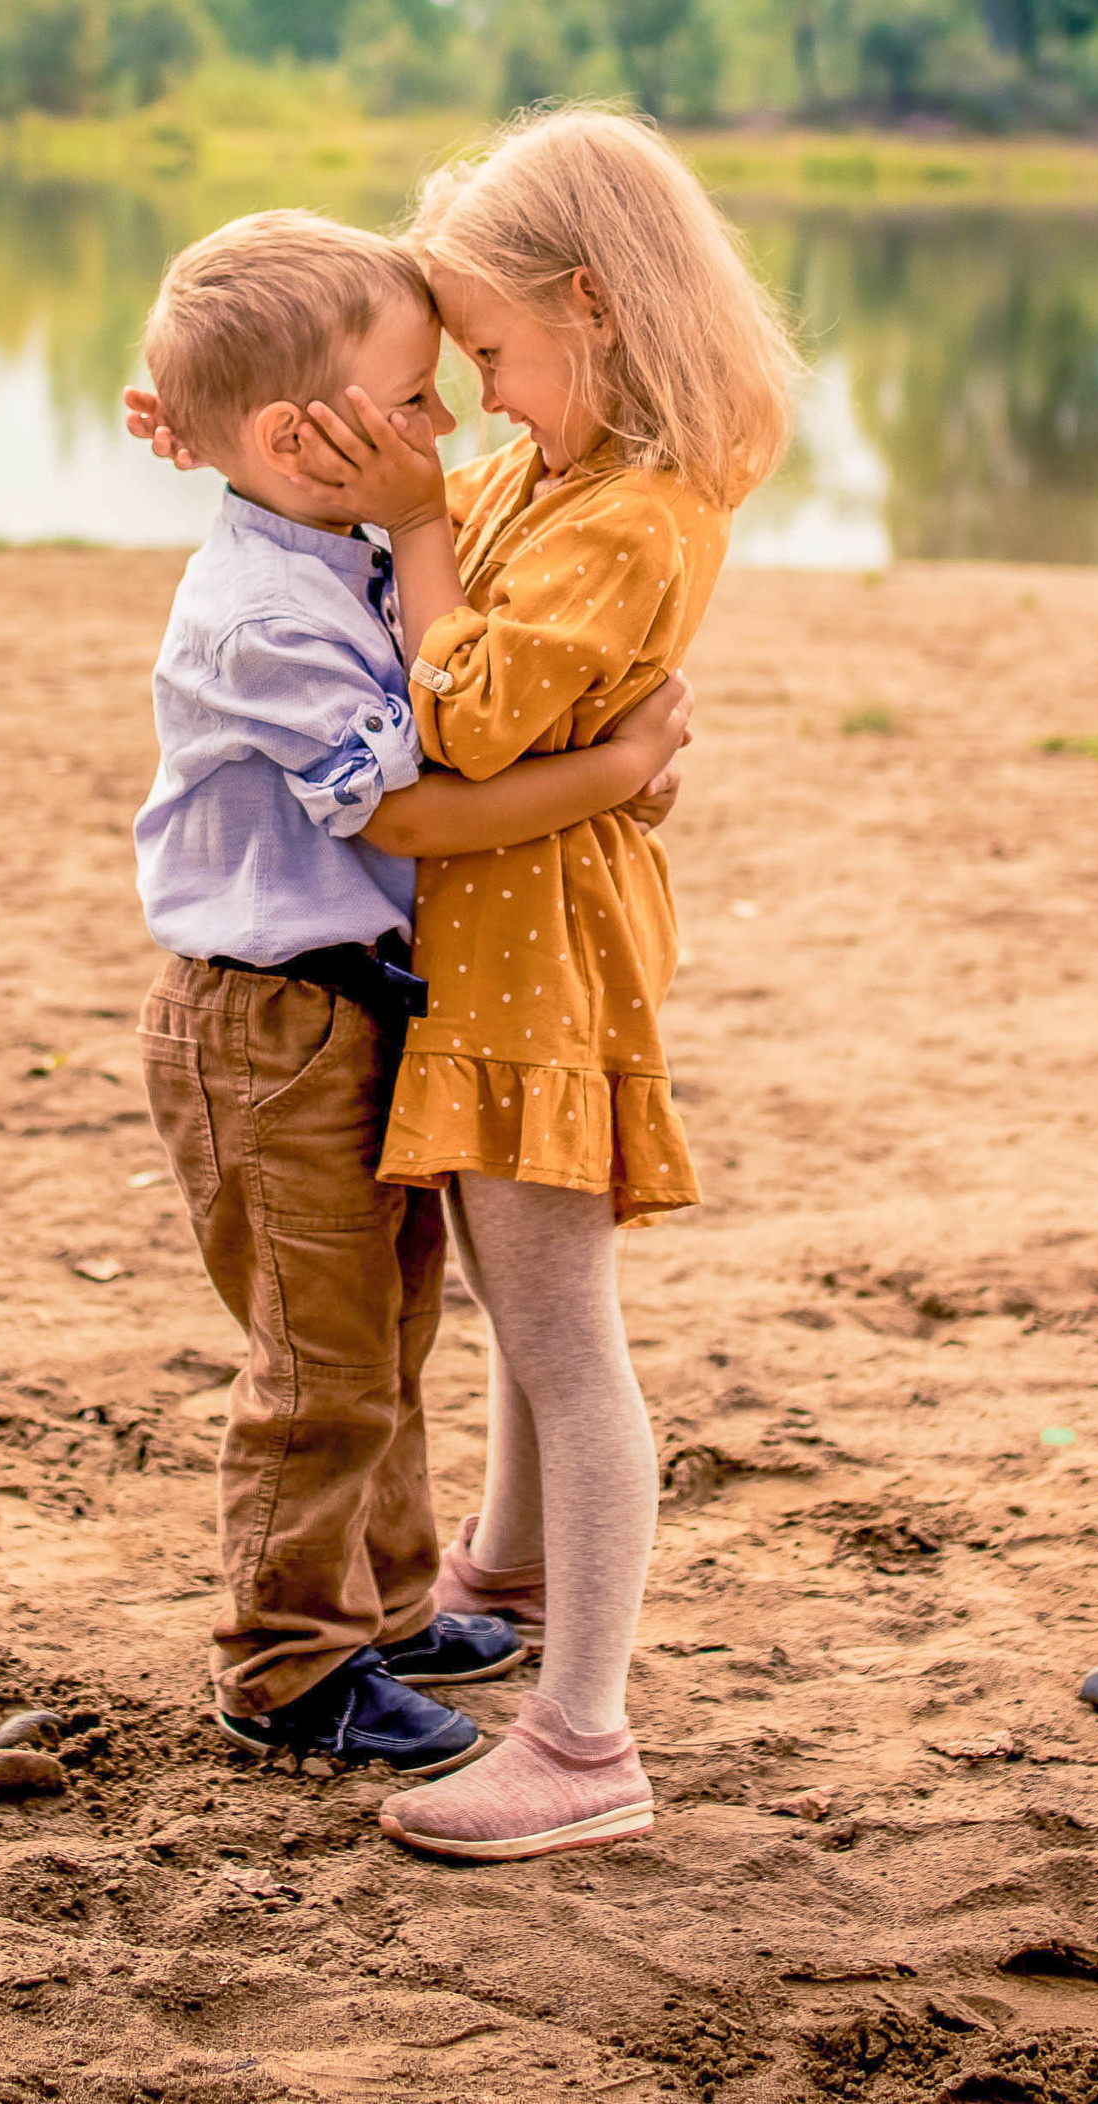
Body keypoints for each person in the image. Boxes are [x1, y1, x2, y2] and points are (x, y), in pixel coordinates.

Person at [273, 108, 796, 1860]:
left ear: (592, 304)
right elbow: (378, 490)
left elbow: (466, 706)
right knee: (510, 1282)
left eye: (492, 352)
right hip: (500, 940)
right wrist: (220, 441)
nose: (476, 396)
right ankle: (500, 1563)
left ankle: (584, 1745)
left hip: (541, 957)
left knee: (564, 1335)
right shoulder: (549, 474)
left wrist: (424, 528)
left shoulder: (633, 512)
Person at [128, 209, 696, 1784]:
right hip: (268, 1024)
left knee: (378, 1328)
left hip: (353, 1006)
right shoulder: (262, 619)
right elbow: (412, 810)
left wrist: (190, 412)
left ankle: (376, 1603)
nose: (442, 428)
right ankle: (289, 1666)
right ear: (301, 437)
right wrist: (619, 767)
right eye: (415, 396)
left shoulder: (337, 543)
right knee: (316, 1363)